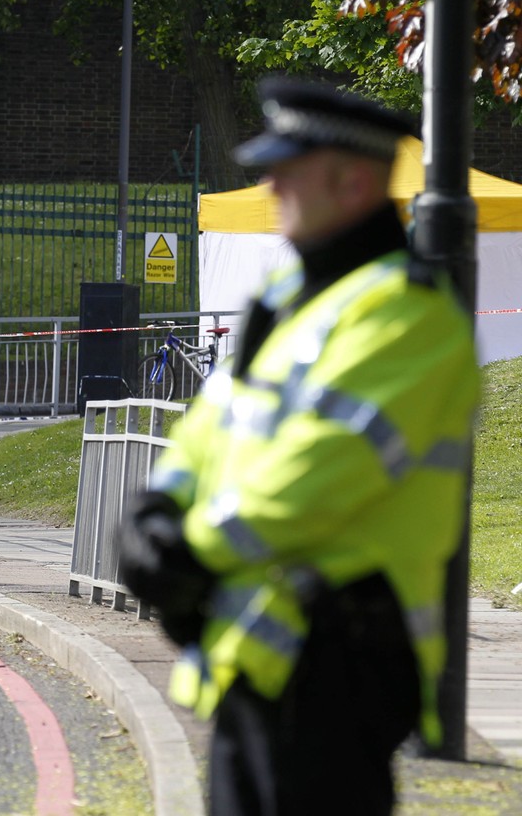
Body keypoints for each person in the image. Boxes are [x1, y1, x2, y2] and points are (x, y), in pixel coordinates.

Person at [118, 77, 479, 816]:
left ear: (353, 180)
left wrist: (184, 554)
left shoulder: (406, 312)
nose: (268, 181)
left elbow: (317, 474)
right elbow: (210, 426)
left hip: (340, 663)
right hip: (258, 658)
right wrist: (154, 510)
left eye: (288, 165)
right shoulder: (291, 298)